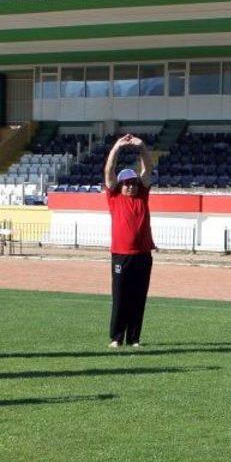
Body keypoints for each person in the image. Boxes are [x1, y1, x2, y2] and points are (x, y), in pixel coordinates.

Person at [103, 134, 155, 348]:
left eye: (133, 183)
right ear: (120, 185)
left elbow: (148, 169)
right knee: (120, 298)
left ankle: (134, 338)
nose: (131, 187)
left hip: (143, 255)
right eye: (126, 184)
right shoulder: (114, 197)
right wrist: (116, 148)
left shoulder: (142, 195)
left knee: (138, 298)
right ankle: (117, 337)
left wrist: (142, 147)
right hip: (121, 255)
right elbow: (109, 171)